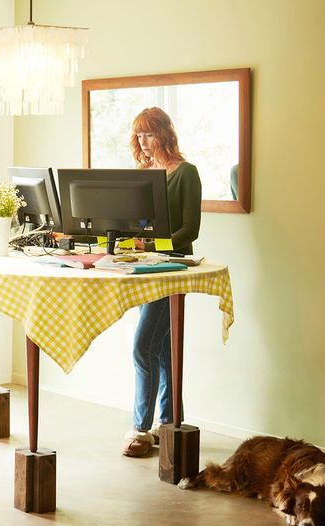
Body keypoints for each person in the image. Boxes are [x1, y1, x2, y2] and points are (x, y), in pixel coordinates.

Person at [122, 107, 201, 457]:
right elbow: (138, 227)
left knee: (143, 347)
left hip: (171, 270)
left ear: (165, 134)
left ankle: (140, 429)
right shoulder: (143, 173)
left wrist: (153, 244)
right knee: (164, 352)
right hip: (145, 269)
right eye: (139, 135)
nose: (143, 141)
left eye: (149, 134)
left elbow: (189, 232)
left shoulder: (186, 173)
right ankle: (169, 424)